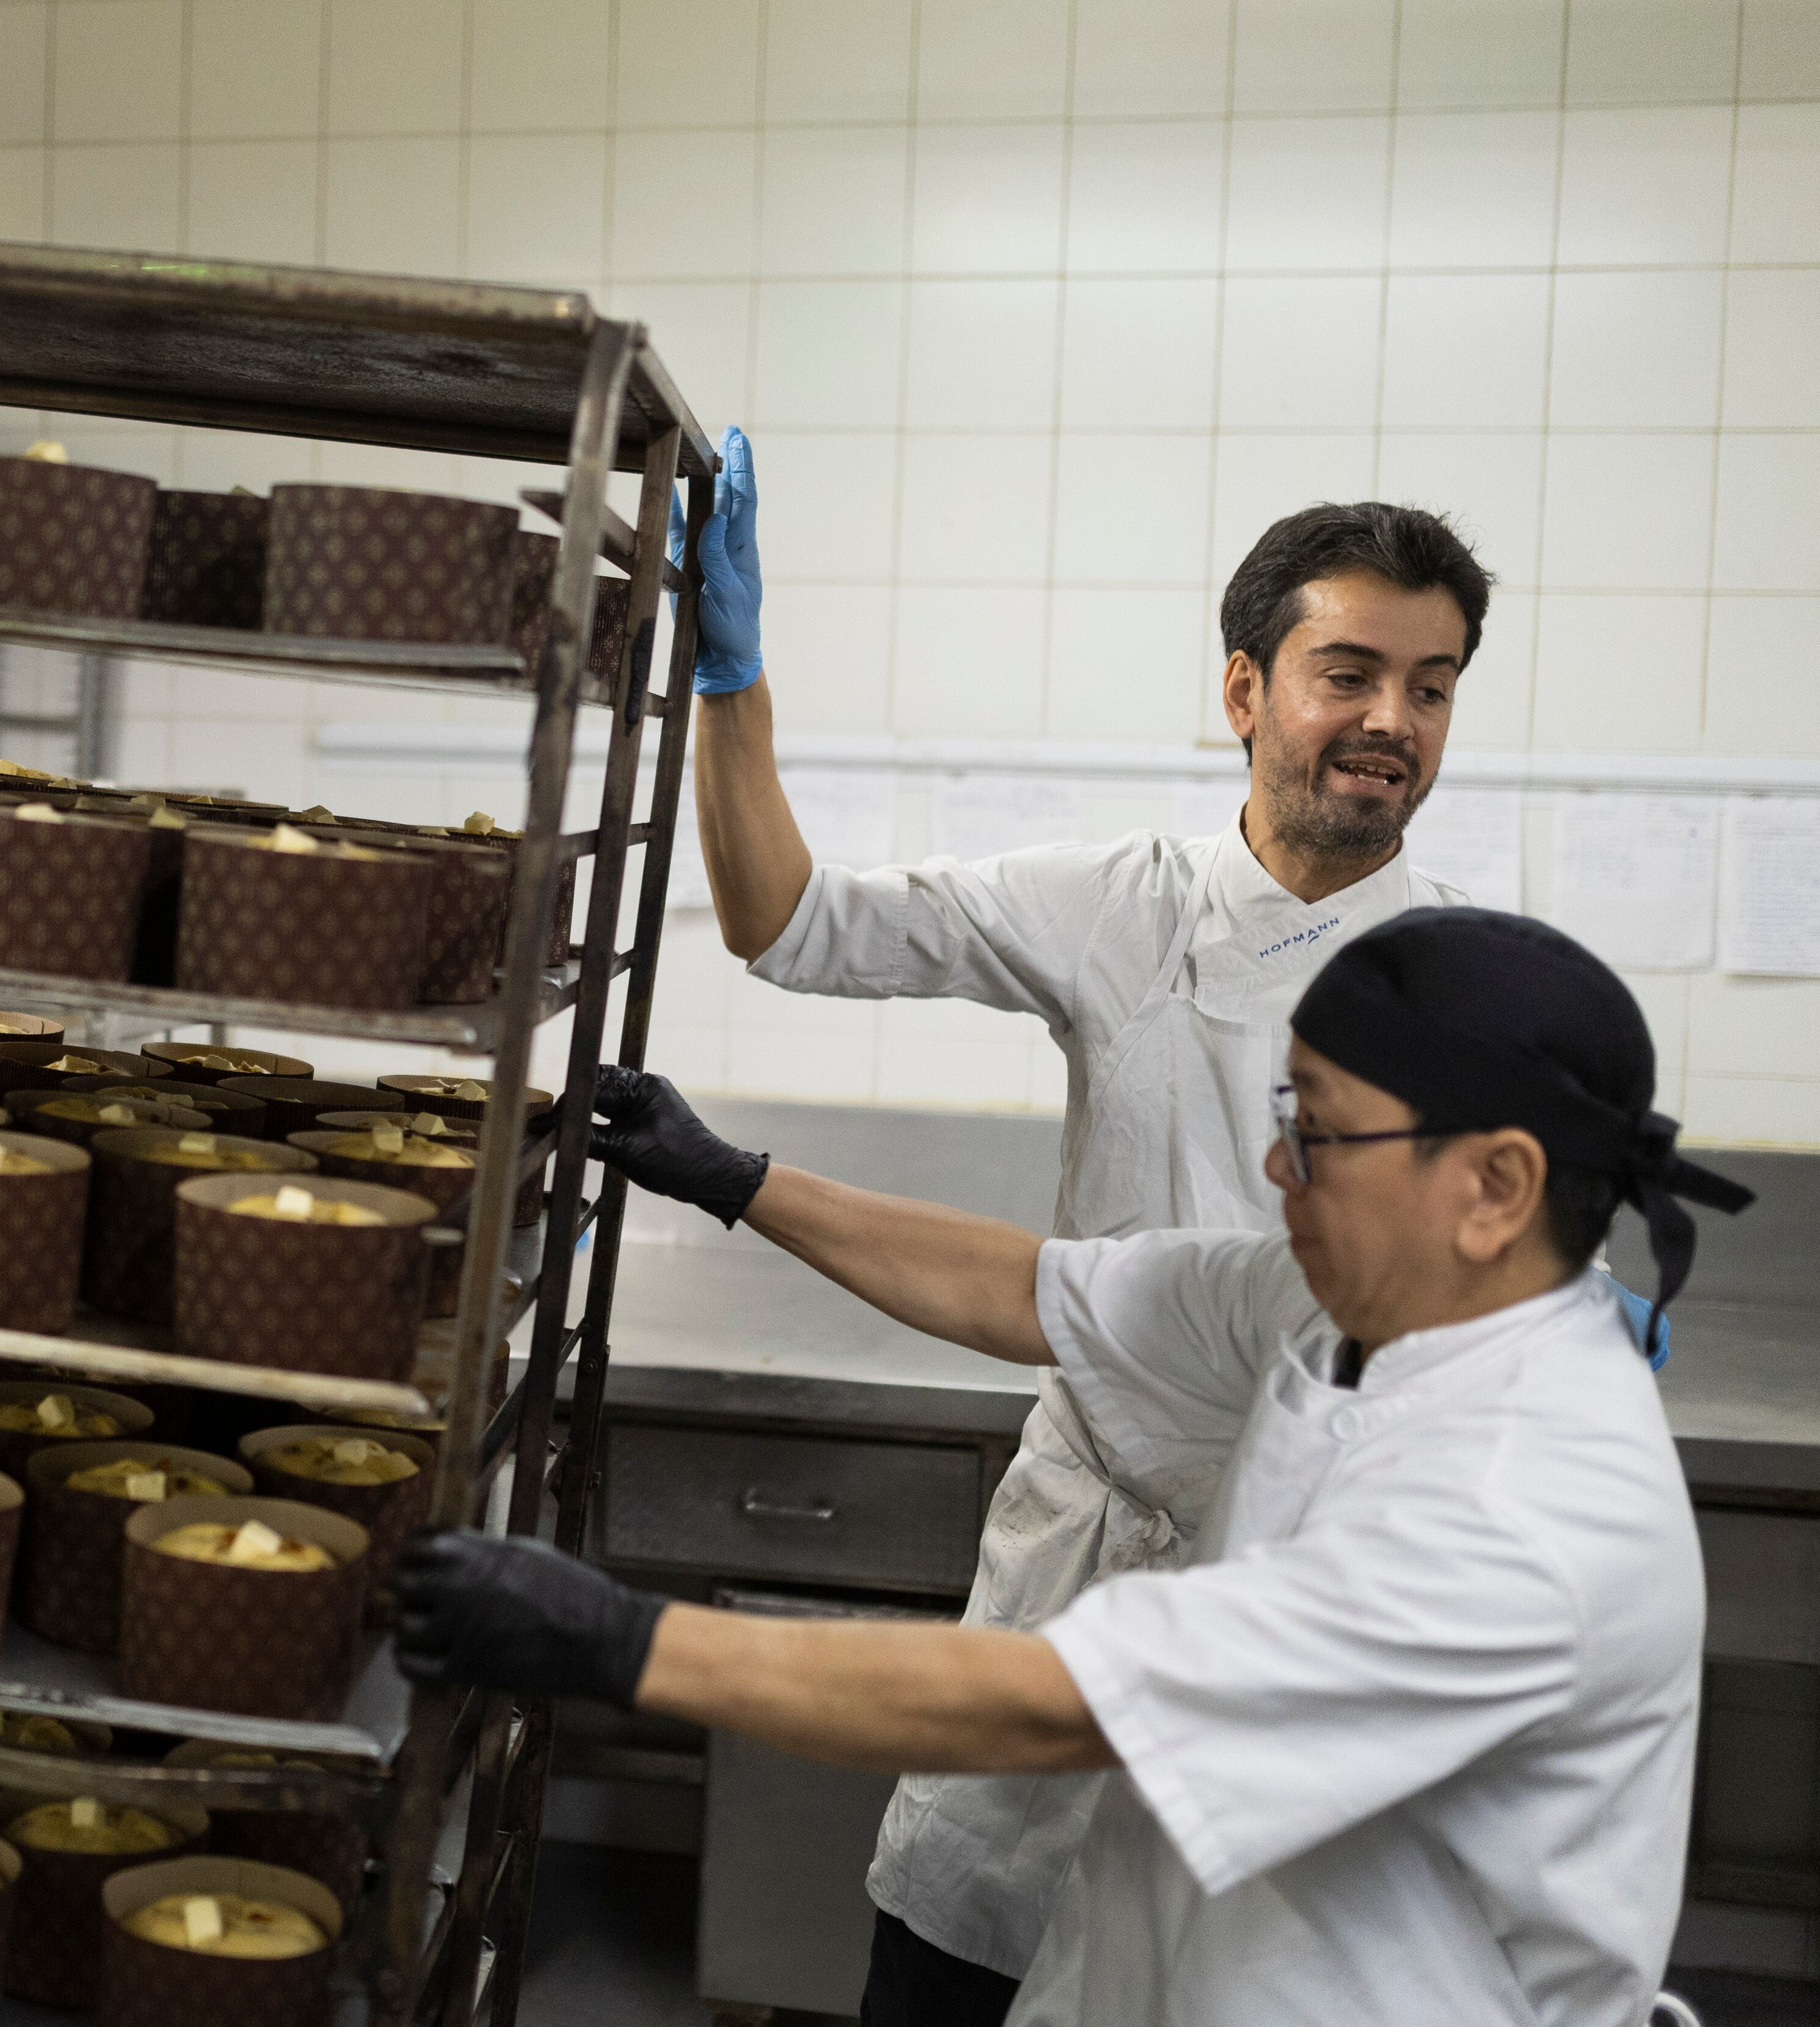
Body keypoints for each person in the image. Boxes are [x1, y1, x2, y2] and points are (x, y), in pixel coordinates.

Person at [399, 909, 1753, 2026]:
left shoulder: (1523, 1514)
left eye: (1323, 1131)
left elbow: (1059, 1705)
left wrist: (622, 1638)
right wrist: (729, 1174)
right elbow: (1030, 1287)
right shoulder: (1334, 1305)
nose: (1278, 1163)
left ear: (1498, 1187)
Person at [676, 431, 1563, 2014]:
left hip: (1300, 1595)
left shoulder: (1471, 987)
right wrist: (730, 677)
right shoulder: (1123, 903)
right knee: (946, 1959)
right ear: (1244, 689)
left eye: (1431, 685)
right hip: (1081, 1554)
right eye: (1347, 670)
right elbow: (786, 921)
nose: (1390, 722)